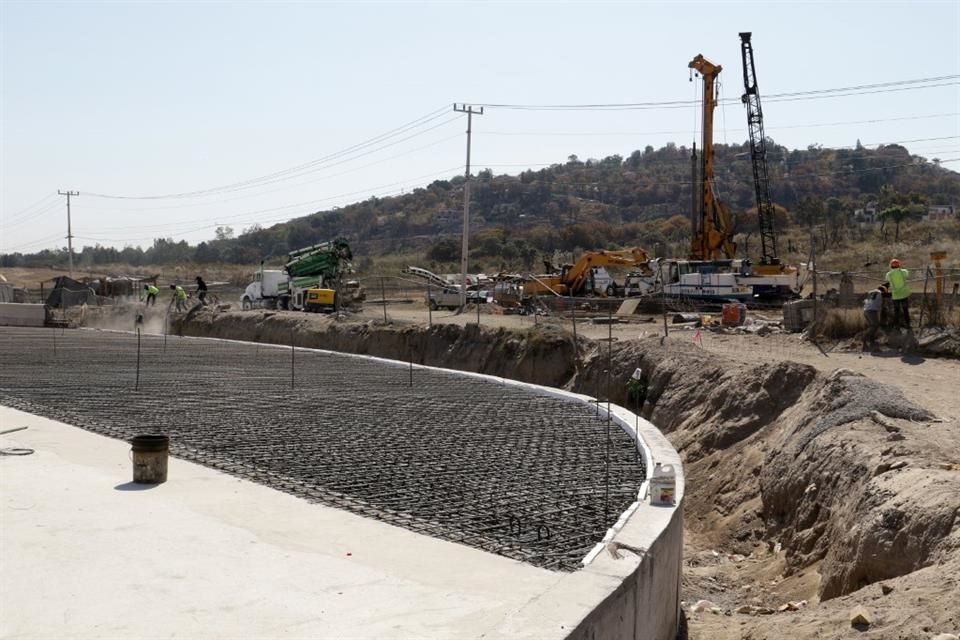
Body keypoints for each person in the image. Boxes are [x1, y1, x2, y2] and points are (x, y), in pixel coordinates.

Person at [885, 258, 911, 330]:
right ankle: (908, 325)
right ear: (899, 265)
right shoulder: (904, 272)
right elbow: (907, 273)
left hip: (896, 295)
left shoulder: (889, 274)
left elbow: (887, 280)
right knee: (905, 310)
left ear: (891, 266)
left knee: (896, 311)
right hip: (904, 294)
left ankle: (897, 326)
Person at [862, 283, 887, 348]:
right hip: (872, 310)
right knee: (875, 325)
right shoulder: (880, 294)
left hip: (866, 310)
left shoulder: (871, 292)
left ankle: (871, 339)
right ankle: (864, 337)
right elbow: (879, 306)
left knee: (872, 326)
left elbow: (865, 300)